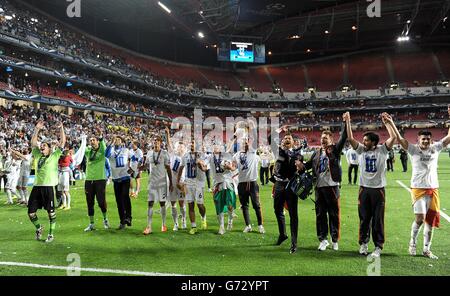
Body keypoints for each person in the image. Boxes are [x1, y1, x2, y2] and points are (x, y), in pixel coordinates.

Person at [387, 106, 450, 259]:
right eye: (423, 139)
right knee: (420, 219)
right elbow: (400, 139)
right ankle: (412, 243)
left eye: (428, 138)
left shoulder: (436, 148)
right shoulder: (413, 150)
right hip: (418, 189)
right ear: (418, 140)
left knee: (430, 221)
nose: (426, 141)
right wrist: (391, 122)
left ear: (431, 140)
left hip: (433, 189)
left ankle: (427, 249)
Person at [345, 112, 396, 258]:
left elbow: (393, 137)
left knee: (377, 219)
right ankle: (363, 243)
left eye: (366, 140)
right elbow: (350, 138)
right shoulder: (361, 150)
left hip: (378, 190)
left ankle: (378, 246)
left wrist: (388, 123)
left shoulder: (382, 150)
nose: (363, 142)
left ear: (373, 142)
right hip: (364, 189)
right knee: (364, 218)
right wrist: (348, 121)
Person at [304, 120, 347, 252]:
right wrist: (301, 165)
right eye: (321, 138)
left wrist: (345, 122)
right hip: (319, 187)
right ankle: (323, 240)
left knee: (334, 214)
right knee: (320, 214)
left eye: (325, 138)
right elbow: (308, 165)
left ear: (331, 139)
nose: (322, 140)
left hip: (332, 186)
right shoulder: (316, 153)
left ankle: (334, 240)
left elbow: (344, 136)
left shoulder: (335, 150)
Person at [28, 120, 65, 243]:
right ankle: (39, 228)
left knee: (51, 212)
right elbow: (33, 143)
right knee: (31, 213)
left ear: (49, 149)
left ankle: (51, 234)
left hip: (48, 187)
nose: (42, 146)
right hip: (37, 187)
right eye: (41, 145)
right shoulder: (38, 154)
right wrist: (37, 129)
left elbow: (62, 143)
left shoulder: (54, 156)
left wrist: (61, 129)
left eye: (45, 145)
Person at [272, 129, 304, 254]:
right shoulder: (279, 151)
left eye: (289, 138)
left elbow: (301, 170)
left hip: (291, 185)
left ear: (293, 142)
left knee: (293, 215)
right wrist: (279, 130)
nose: (286, 140)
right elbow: (270, 139)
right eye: (284, 138)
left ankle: (294, 243)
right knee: (277, 210)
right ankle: (282, 234)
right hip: (279, 184)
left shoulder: (297, 154)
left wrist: (300, 167)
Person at [143, 135, 173, 235]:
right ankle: (149, 226)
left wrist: (171, 183)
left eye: (157, 141)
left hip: (162, 183)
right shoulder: (149, 153)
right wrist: (138, 168)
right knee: (150, 203)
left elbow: (168, 169)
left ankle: (163, 224)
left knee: (162, 203)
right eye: (154, 140)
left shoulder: (165, 153)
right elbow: (146, 165)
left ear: (160, 142)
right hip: (152, 183)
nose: (155, 142)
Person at [233, 138, 265, 234]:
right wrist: (228, 167)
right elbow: (234, 167)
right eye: (242, 143)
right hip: (241, 182)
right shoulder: (236, 155)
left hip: (252, 182)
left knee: (256, 205)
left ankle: (260, 225)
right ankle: (248, 225)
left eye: (246, 143)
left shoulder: (252, 151)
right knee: (244, 205)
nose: (244, 144)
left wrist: (251, 126)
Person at [177, 140, 208, 234]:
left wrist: (200, 166)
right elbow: (181, 168)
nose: (192, 145)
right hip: (188, 183)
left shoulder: (202, 155)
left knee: (200, 205)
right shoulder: (185, 156)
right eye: (191, 144)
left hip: (199, 183)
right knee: (190, 205)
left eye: (194, 144)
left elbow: (205, 169)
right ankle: (193, 226)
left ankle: (203, 217)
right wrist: (178, 181)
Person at [83, 128, 110, 232]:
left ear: (97, 141)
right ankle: (91, 223)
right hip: (89, 180)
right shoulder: (88, 151)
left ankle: (105, 219)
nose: (92, 141)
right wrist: (83, 140)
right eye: (91, 140)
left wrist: (100, 135)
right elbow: (82, 149)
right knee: (89, 203)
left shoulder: (102, 150)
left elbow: (103, 143)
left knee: (101, 202)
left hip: (100, 180)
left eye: (94, 140)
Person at [210, 143, 237, 235]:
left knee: (230, 204)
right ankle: (221, 226)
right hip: (217, 184)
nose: (216, 148)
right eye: (214, 147)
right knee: (219, 206)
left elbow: (233, 167)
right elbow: (204, 166)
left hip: (228, 182)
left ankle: (230, 221)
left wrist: (230, 167)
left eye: (217, 146)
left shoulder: (227, 156)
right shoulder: (209, 157)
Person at [106, 135, 132, 230]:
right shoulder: (111, 150)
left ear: (122, 142)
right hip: (116, 179)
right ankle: (122, 221)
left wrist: (132, 169)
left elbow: (133, 159)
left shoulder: (126, 150)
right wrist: (111, 142)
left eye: (119, 139)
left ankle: (128, 217)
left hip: (125, 177)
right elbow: (106, 155)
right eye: (115, 139)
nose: (117, 140)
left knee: (125, 195)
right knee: (119, 201)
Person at [57, 145, 73, 210]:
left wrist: (71, 177)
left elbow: (71, 162)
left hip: (65, 172)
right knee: (62, 191)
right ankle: (64, 204)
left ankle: (68, 205)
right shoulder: (61, 157)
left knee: (66, 190)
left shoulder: (67, 157)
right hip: (61, 172)